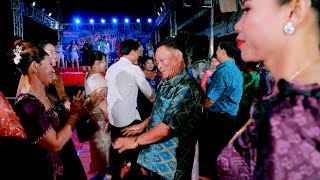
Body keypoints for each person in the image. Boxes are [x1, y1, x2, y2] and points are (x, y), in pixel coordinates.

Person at [216, 0, 320, 179]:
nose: (237, 24)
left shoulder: (296, 115)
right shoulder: (289, 92)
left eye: (248, 9)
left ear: (295, 10)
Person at [112, 37, 204, 179]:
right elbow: (161, 113)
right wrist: (143, 125)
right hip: (155, 158)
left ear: (178, 56)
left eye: (162, 60)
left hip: (171, 166)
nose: (159, 65)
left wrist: (135, 141)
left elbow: (166, 128)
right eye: (157, 61)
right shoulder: (166, 82)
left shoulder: (187, 88)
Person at [12, 45, 85, 179]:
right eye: (50, 64)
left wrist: (85, 107)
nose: (53, 70)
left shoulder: (50, 95)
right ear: (35, 66)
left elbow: (64, 123)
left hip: (69, 158)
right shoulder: (28, 105)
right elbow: (55, 144)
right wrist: (74, 113)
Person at [105, 39, 156, 179]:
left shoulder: (111, 68)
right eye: (138, 53)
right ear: (132, 52)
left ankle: (116, 176)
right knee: (135, 150)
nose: (139, 56)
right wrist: (158, 101)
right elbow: (149, 93)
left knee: (116, 149)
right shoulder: (134, 69)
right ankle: (134, 174)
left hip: (114, 117)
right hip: (129, 118)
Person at [202, 41, 243, 179]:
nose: (216, 52)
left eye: (218, 49)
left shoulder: (223, 71)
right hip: (230, 117)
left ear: (223, 52)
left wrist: (199, 109)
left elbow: (210, 99)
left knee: (214, 150)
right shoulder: (236, 70)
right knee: (223, 149)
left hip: (219, 118)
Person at [84, 50, 112, 178]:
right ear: (97, 62)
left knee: (98, 151)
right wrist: (108, 119)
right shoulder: (97, 78)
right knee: (104, 151)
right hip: (100, 118)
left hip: (93, 117)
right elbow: (102, 103)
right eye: (104, 61)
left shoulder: (88, 75)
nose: (106, 64)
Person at [137, 56, 161, 120]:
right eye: (148, 63)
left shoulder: (157, 76)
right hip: (143, 101)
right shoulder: (140, 75)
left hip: (154, 101)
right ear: (144, 65)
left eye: (152, 63)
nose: (150, 65)